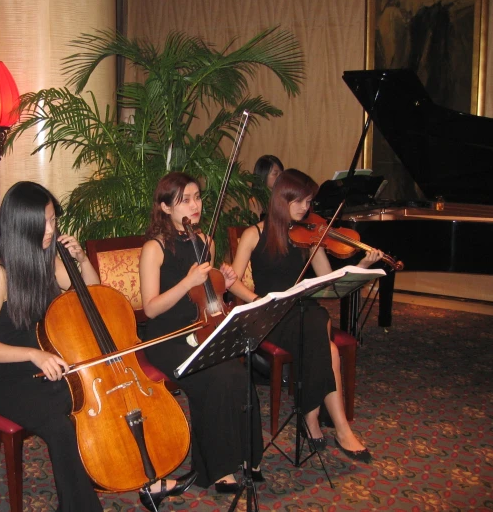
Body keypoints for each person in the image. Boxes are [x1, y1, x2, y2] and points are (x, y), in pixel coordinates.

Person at [0, 181, 194, 512]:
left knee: (109, 400)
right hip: (7, 376)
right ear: (22, 225)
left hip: (51, 365)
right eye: (44, 222)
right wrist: (33, 354)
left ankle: (145, 477)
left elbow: (92, 293)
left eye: (53, 219)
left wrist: (81, 260)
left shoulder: (51, 259)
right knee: (62, 423)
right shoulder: (0, 274)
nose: (52, 228)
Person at [228, 169, 383, 463]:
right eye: (299, 201)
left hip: (304, 310)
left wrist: (362, 263)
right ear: (281, 199)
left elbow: (329, 279)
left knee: (315, 319)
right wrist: (257, 299)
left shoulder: (310, 234)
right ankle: (332, 426)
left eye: (309, 201)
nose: (305, 208)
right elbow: (231, 280)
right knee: (330, 349)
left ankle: (319, 421)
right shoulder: (254, 234)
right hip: (272, 313)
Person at [139, 172, 264, 494]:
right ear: (165, 207)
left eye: (197, 197)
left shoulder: (203, 241)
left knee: (238, 372)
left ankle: (247, 457)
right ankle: (218, 469)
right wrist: (187, 282)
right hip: (166, 338)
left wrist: (225, 276)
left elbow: (212, 290)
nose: (195, 205)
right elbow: (150, 309)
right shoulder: (154, 248)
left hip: (201, 329)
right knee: (217, 378)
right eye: (185, 200)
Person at [249, 154, 284, 220]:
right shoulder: (255, 201)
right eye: (275, 173)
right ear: (263, 176)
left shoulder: (283, 196)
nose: (280, 177)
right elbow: (255, 225)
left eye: (281, 173)